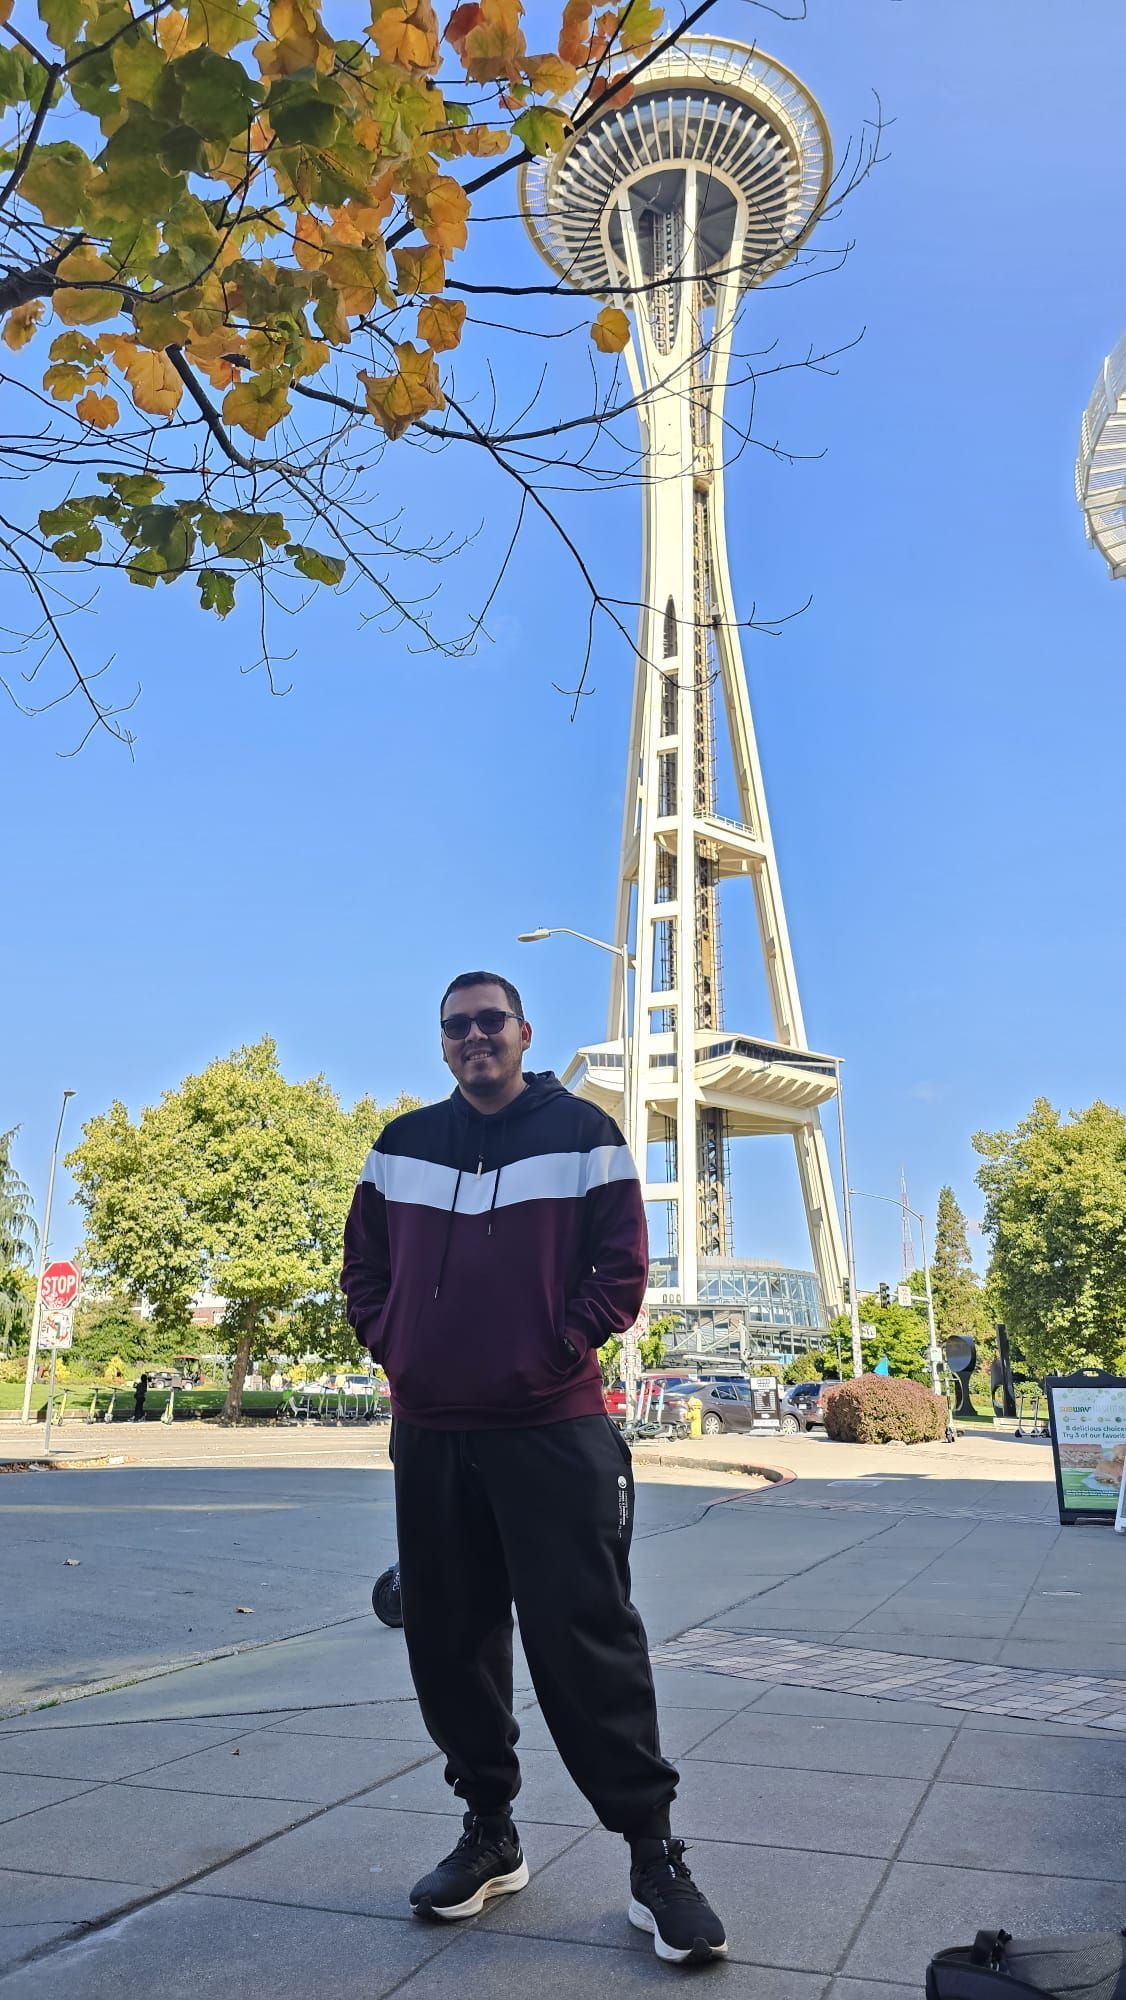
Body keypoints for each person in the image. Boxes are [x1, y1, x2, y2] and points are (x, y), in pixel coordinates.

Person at [341, 971, 727, 1966]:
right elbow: (365, 1270)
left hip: (551, 1425)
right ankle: (490, 1830)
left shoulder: (584, 1133)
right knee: (447, 1631)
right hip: (431, 1430)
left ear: (522, 1033)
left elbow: (621, 1263)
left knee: (585, 1634)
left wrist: (554, 1345)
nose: (474, 1038)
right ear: (441, 1044)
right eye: (456, 1026)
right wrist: (402, 1347)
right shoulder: (401, 1145)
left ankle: (652, 1854)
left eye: (489, 1022)